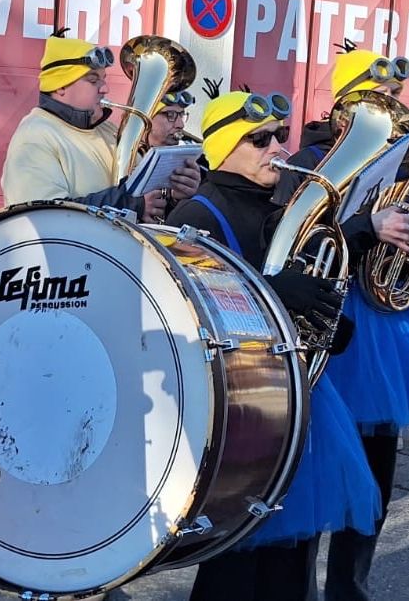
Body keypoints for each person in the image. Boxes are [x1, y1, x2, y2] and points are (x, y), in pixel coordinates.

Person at [167, 88, 381, 601]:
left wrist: (323, 320)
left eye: (279, 136)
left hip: (288, 393)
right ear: (222, 148)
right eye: (259, 139)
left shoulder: (278, 206)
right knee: (236, 561)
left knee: (291, 555)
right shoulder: (197, 214)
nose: (276, 148)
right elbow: (191, 310)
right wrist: (273, 294)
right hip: (239, 405)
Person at [274, 42, 409, 601]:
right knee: (316, 471)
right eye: (378, 97)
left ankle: (350, 589)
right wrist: (367, 223)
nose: (390, 106)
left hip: (387, 326)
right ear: (347, 103)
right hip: (332, 320)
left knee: (378, 471)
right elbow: (295, 239)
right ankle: (300, 589)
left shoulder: (403, 165)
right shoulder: (311, 158)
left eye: (393, 98)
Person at [0, 31, 195, 221]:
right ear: (60, 86)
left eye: (103, 79)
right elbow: (45, 216)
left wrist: (172, 196)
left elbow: (143, 200)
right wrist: (132, 204)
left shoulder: (107, 130)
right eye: (93, 80)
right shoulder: (35, 135)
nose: (105, 88)